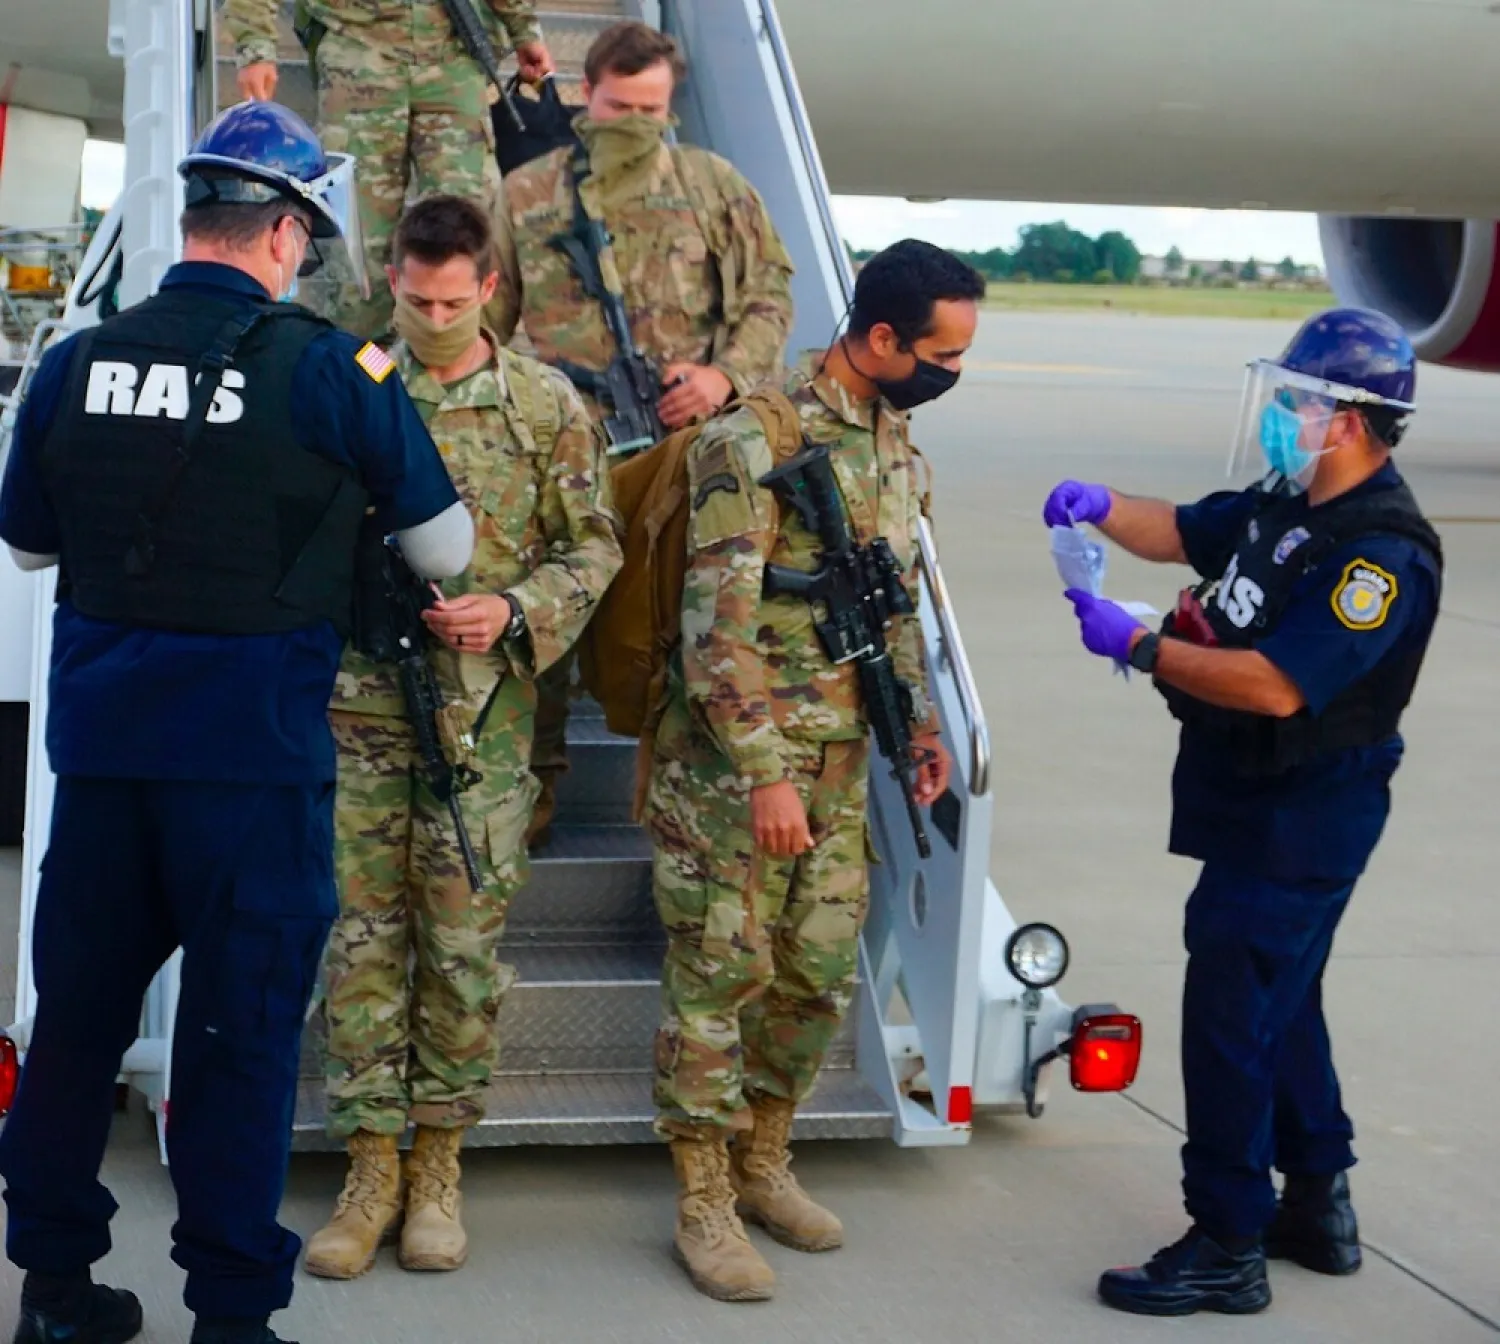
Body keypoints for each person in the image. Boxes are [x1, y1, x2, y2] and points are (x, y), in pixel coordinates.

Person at [0, 102, 472, 1344]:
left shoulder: (76, 359)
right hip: (251, 769)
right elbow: (446, 546)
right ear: (284, 235)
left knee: (76, 1031)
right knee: (239, 1040)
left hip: (105, 759)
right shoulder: (333, 367)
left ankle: (51, 1295)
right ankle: (229, 1316)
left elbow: (32, 542)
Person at [1045, 307, 1443, 1318]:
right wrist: (1096, 506)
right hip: (1251, 796)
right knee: (1283, 994)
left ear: (1348, 420)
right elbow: (1183, 529)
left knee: (1231, 1008)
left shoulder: (1378, 557)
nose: (1282, 415)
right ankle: (1315, 1202)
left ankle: (1227, 1238)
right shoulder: (1288, 502)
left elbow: (1273, 685)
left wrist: (1136, 648)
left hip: (1307, 808)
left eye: (1297, 401)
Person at [643, 239, 978, 1302]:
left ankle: (763, 1159)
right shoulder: (755, 438)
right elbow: (714, 630)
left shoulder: (894, 438)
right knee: (718, 981)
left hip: (841, 767)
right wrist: (764, 774)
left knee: (818, 975)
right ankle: (701, 1197)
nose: (954, 371)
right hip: (740, 777)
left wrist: (919, 725)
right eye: (944, 351)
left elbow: (899, 604)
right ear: (881, 338)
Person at [303, 195, 623, 1281]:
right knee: (359, 944)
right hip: (352, 713)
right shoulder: (341, 387)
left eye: (452, 300)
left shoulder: (545, 405)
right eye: (413, 297)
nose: (432, 318)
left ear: (490, 287)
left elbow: (597, 548)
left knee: (459, 947)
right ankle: (370, 1166)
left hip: (479, 725)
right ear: (389, 278)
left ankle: (437, 1162)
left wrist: (516, 609)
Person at [488, 18, 795, 847]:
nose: (636, 122)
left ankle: (682, 818)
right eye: (620, 105)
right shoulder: (527, 194)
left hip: (679, 455)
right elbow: (487, 322)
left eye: (652, 109)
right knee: (543, 632)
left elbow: (770, 294)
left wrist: (723, 377)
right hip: (563, 451)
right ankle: (533, 805)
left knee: (683, 629)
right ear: (587, 94)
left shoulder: (712, 185)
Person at [222, 0, 556, 340]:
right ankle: (359, 368)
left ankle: (466, 370)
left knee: (469, 223)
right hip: (358, 49)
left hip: (453, 53)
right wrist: (255, 47)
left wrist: (523, 30)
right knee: (358, 238)